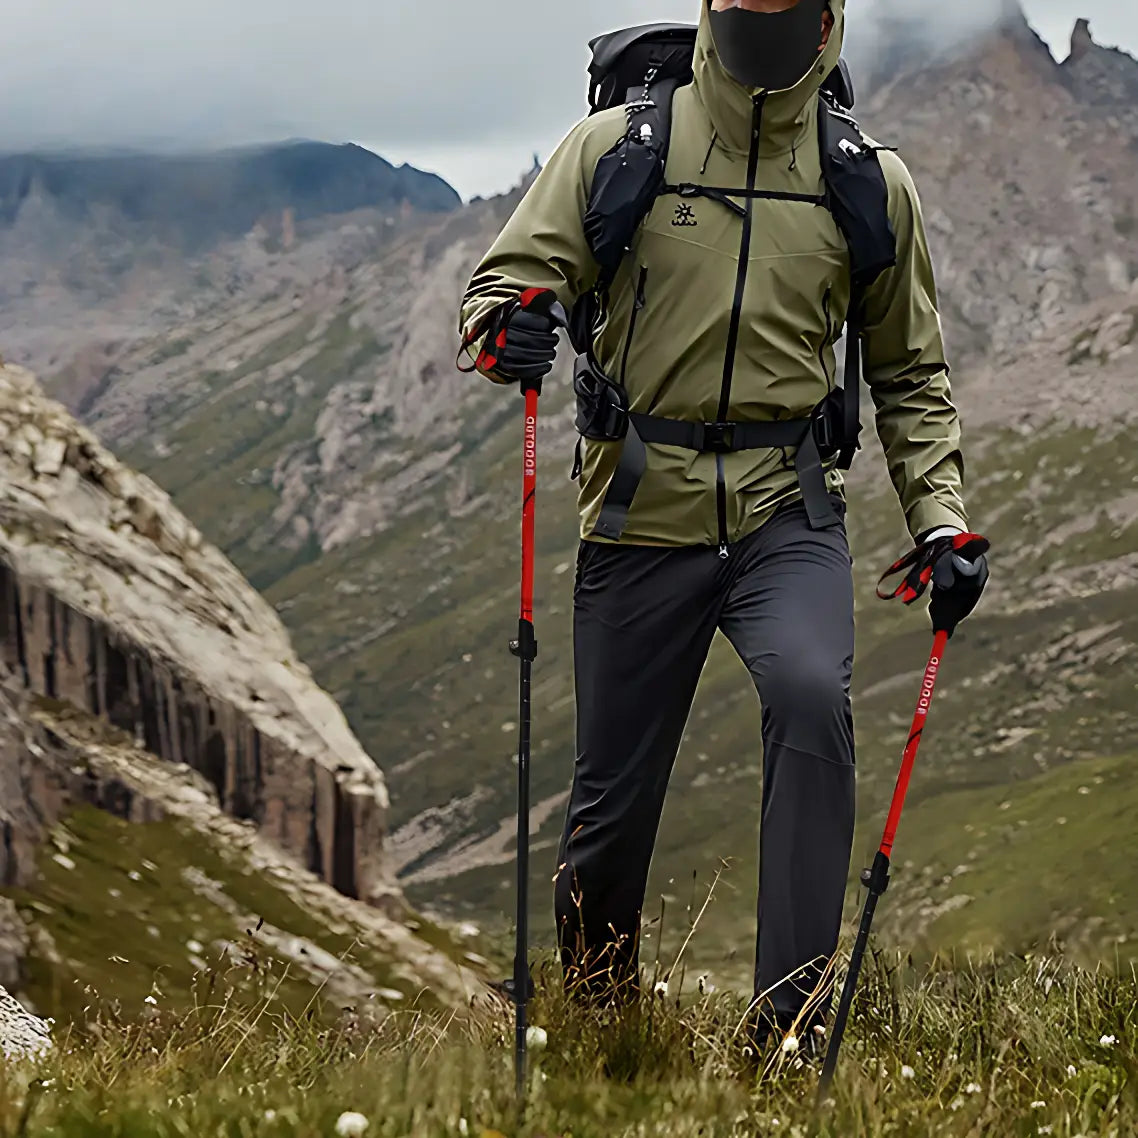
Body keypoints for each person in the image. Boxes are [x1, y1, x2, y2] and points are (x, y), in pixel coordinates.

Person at [457, 0, 989, 1043]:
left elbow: (910, 372)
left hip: (786, 512)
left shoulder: (865, 180)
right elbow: (504, 285)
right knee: (609, 803)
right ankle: (602, 1022)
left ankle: (783, 1032)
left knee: (808, 700)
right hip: (637, 511)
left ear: (829, 21)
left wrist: (941, 523)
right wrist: (506, 330)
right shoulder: (617, 148)